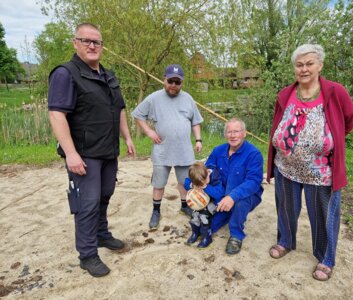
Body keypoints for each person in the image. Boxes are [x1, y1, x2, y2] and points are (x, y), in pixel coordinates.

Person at [48, 23, 135, 278]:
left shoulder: (108, 75)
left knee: (105, 194)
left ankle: (101, 234)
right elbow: (56, 114)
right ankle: (87, 255)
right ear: (75, 43)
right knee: (86, 204)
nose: (92, 45)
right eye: (85, 41)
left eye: (96, 42)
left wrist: (127, 137)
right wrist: (71, 153)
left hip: (108, 150)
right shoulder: (66, 74)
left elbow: (119, 109)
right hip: (84, 154)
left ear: (102, 46)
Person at [266, 44, 353, 281]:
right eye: (299, 64)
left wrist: (328, 139)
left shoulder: (335, 92)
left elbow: (349, 120)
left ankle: (326, 258)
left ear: (320, 66)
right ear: (294, 68)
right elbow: (278, 122)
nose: (304, 69)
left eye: (309, 63)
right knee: (286, 209)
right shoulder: (286, 94)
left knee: (323, 215)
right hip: (286, 167)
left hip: (321, 171)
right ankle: (285, 241)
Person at [132, 64, 203, 229]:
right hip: (162, 150)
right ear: (164, 80)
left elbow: (196, 121)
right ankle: (156, 210)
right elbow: (137, 115)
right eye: (170, 81)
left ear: (181, 83)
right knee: (159, 183)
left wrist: (198, 140)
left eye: (177, 82)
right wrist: (149, 131)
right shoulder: (154, 98)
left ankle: (185, 206)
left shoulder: (188, 99)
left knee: (184, 182)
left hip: (184, 150)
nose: (173, 85)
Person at [206, 118, 264, 255]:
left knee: (239, 203)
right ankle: (226, 214)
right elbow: (208, 166)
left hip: (246, 195)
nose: (232, 135)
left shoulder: (254, 154)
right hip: (222, 193)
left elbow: (253, 181)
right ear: (225, 134)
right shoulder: (218, 150)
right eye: (229, 132)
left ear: (244, 133)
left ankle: (236, 235)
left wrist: (232, 196)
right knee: (208, 227)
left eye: (236, 131)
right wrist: (207, 174)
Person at [184, 162, 224, 249]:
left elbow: (219, 194)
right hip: (200, 202)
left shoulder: (215, 176)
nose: (201, 185)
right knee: (194, 215)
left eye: (204, 182)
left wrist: (206, 187)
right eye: (199, 184)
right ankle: (195, 233)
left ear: (207, 173)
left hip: (214, 202)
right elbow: (186, 183)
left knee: (204, 216)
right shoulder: (196, 175)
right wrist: (192, 185)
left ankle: (207, 237)